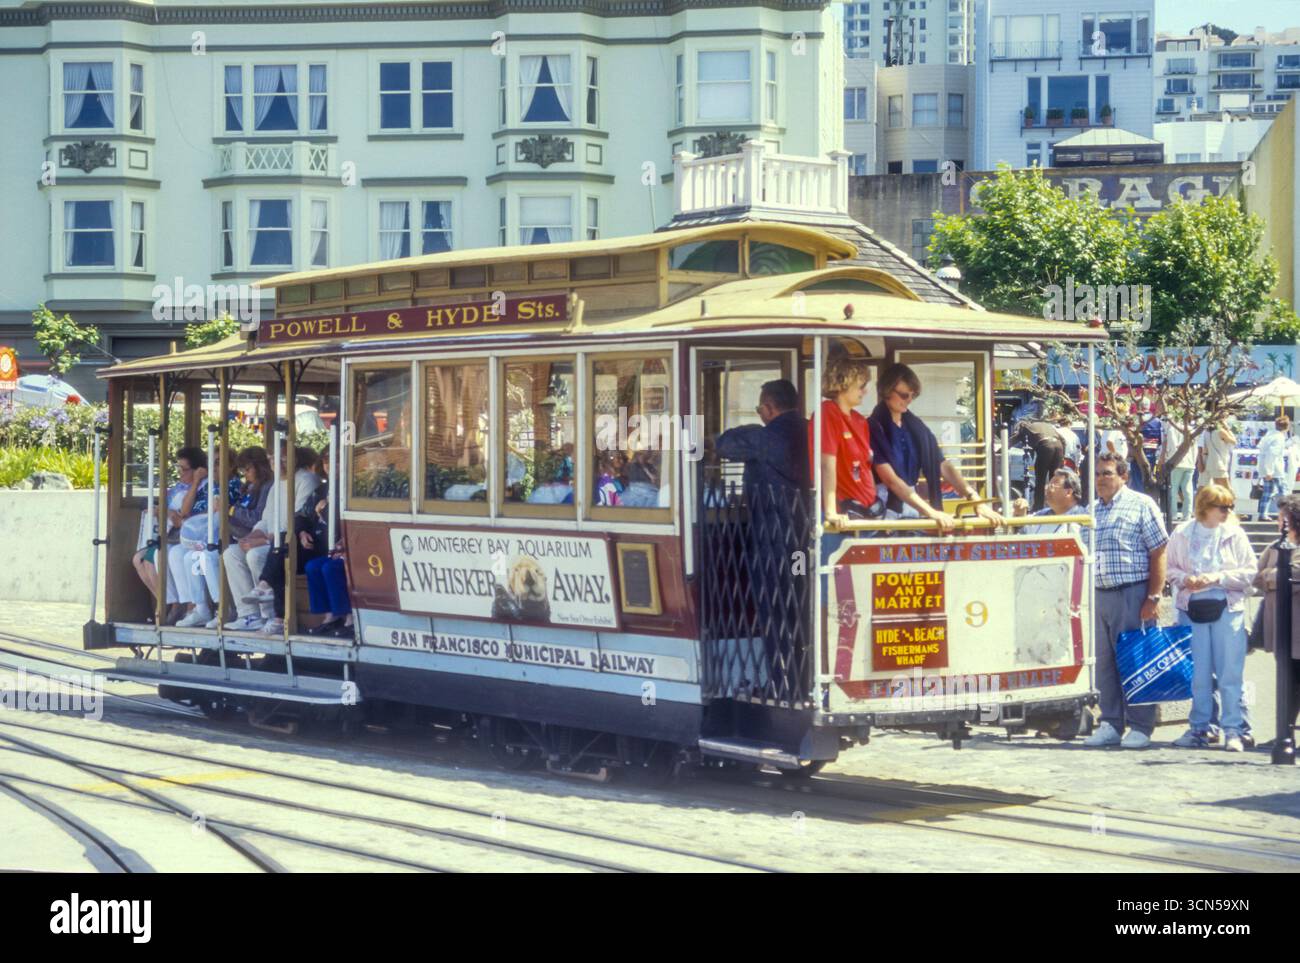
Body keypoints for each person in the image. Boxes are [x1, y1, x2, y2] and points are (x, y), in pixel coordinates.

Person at [1083, 453, 1169, 749]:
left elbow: (1159, 551)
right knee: (1104, 664)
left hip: (1133, 593)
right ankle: (1110, 722)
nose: (1100, 479)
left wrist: (1154, 596)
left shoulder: (1142, 504)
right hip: (1100, 595)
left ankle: (1142, 725)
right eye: (1097, 474)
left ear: (1123, 476)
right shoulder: (1091, 511)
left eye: (1107, 473)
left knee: (1137, 661)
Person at [1165, 485, 1256, 751]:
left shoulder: (1235, 534)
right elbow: (1170, 568)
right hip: (1191, 607)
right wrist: (1185, 579)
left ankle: (1233, 729)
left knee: (1230, 672)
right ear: (1206, 507)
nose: (1227, 512)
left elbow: (1250, 571)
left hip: (1226, 605)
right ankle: (1200, 728)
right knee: (1199, 674)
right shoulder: (1182, 533)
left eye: (1229, 506)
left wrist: (1218, 578)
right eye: (1222, 507)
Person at [866, 363, 1003, 531]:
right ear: (887, 391)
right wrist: (931, 512)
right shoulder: (874, 427)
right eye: (903, 395)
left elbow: (943, 465)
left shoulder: (915, 427)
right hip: (885, 510)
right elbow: (890, 480)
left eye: (912, 395)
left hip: (911, 508)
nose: (909, 400)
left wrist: (973, 499)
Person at [810, 356, 879, 533]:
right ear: (844, 383)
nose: (865, 391)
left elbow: (866, 466)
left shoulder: (860, 421)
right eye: (861, 386)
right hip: (845, 514)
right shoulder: (828, 413)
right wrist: (832, 512)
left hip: (869, 511)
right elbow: (826, 464)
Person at [715, 378, 810, 499]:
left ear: (769, 408)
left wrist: (751, 429)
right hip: (810, 512)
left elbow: (724, 445)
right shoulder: (812, 430)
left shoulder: (761, 437)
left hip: (770, 514)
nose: (759, 414)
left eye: (759, 410)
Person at [1254, 494, 1300, 741]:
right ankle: (1285, 731)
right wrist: (1276, 577)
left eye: (1284, 517)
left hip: (1297, 626)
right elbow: (1257, 577)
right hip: (1280, 624)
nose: (1279, 522)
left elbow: (1292, 575)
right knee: (1286, 682)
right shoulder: (1274, 546)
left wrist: (1274, 577)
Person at [1010, 417, 1065, 513]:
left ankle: (1038, 507)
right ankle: (1057, 507)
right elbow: (1063, 440)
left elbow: (1013, 440)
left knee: (1040, 480)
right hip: (1058, 446)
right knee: (1055, 481)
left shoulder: (1025, 427)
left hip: (1045, 446)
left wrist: (999, 450)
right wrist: (1062, 456)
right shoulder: (1047, 426)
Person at [1023, 468, 1088, 534]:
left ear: (1068, 492)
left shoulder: (1082, 520)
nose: (1048, 487)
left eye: (1054, 483)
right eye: (1049, 484)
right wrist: (1020, 514)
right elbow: (1023, 533)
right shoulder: (1041, 515)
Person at [1158, 413, 1196, 523]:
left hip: (1176, 462)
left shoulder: (1170, 429)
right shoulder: (1191, 429)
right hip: (1190, 462)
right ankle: (1187, 515)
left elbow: (1169, 445)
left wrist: (1164, 458)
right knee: (1187, 489)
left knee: (1173, 488)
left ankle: (1173, 514)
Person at [1256, 416, 1291, 521]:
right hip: (1275, 469)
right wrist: (1269, 471)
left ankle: (1262, 514)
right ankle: (1288, 515)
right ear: (1287, 426)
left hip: (1265, 467)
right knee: (1284, 491)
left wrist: (1266, 470)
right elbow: (1272, 454)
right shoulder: (1279, 437)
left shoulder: (1269, 435)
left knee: (1267, 492)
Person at [1197, 420, 1236, 490]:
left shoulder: (1206, 433)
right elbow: (1234, 441)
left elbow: (1203, 449)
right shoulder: (1220, 432)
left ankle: (1199, 501)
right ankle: (1231, 501)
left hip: (1208, 461)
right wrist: (1227, 428)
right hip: (1218, 464)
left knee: (1203, 488)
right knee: (1226, 488)